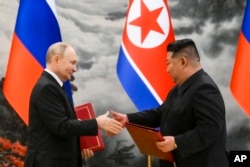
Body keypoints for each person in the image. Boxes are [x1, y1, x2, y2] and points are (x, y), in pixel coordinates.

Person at [112, 38, 229, 167]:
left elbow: (210, 129)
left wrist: (176, 142)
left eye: (168, 63)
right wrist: (128, 118)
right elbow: (161, 114)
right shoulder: (179, 88)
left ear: (183, 62)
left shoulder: (204, 88)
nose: (167, 70)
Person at [24, 42, 122, 167]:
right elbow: (62, 127)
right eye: (72, 63)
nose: (75, 69)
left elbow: (58, 128)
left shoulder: (53, 85)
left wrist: (79, 148)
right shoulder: (47, 88)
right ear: (57, 59)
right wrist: (97, 123)